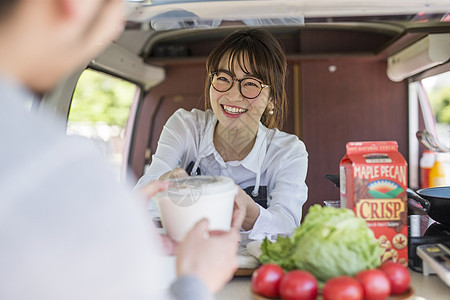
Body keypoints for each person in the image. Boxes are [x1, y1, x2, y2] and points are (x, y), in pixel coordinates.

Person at [0, 1, 242, 299]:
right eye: (118, 7)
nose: (117, 25)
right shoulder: (53, 171)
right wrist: (197, 282)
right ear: (76, 4)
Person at [136, 29, 308, 242]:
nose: (233, 95)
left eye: (251, 84)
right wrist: (163, 184)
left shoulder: (288, 151)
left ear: (272, 99)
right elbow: (141, 199)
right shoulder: (185, 126)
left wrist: (250, 213)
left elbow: (288, 227)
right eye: (223, 78)